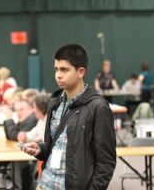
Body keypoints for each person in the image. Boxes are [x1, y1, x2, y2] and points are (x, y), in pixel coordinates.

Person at [22, 44, 116, 189]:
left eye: (64, 70)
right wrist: (40, 149)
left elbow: (106, 162)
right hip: (45, 184)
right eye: (56, 69)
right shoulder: (54, 102)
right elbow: (58, 145)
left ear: (81, 72)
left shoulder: (98, 107)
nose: (58, 75)